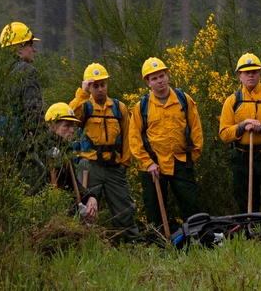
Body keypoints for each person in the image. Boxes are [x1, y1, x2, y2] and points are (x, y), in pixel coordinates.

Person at [128, 57, 203, 231]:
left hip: (181, 161)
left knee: (191, 205)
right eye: (154, 78)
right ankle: (159, 245)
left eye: (161, 76)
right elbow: (134, 138)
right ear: (148, 82)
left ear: (167, 75)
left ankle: (196, 241)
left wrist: (192, 157)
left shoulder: (184, 99)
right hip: (154, 166)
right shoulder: (142, 106)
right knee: (154, 211)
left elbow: (196, 129)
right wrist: (147, 163)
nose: (159, 81)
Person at [69, 63, 139, 235]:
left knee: (125, 209)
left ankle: (132, 245)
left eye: (103, 84)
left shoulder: (119, 108)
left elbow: (128, 137)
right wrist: (82, 92)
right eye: (95, 85)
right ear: (89, 87)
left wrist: (125, 164)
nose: (100, 89)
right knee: (85, 210)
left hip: (114, 168)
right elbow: (70, 115)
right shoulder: (84, 106)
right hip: (90, 168)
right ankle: (82, 243)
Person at [218, 53, 261, 214]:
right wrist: (241, 126)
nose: (250, 75)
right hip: (242, 157)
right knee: (244, 198)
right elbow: (225, 134)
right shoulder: (232, 101)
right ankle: (249, 230)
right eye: (246, 72)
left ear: (260, 73)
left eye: (254, 71)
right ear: (239, 75)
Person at [42, 102, 92, 219]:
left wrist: (90, 197)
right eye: (66, 126)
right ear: (52, 126)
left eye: (72, 126)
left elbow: (71, 182)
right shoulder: (43, 152)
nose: (72, 130)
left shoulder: (63, 151)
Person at [0, 21, 44, 136]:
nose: (34, 50)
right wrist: (48, 143)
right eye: (30, 44)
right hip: (19, 144)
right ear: (19, 49)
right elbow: (33, 113)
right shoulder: (27, 71)